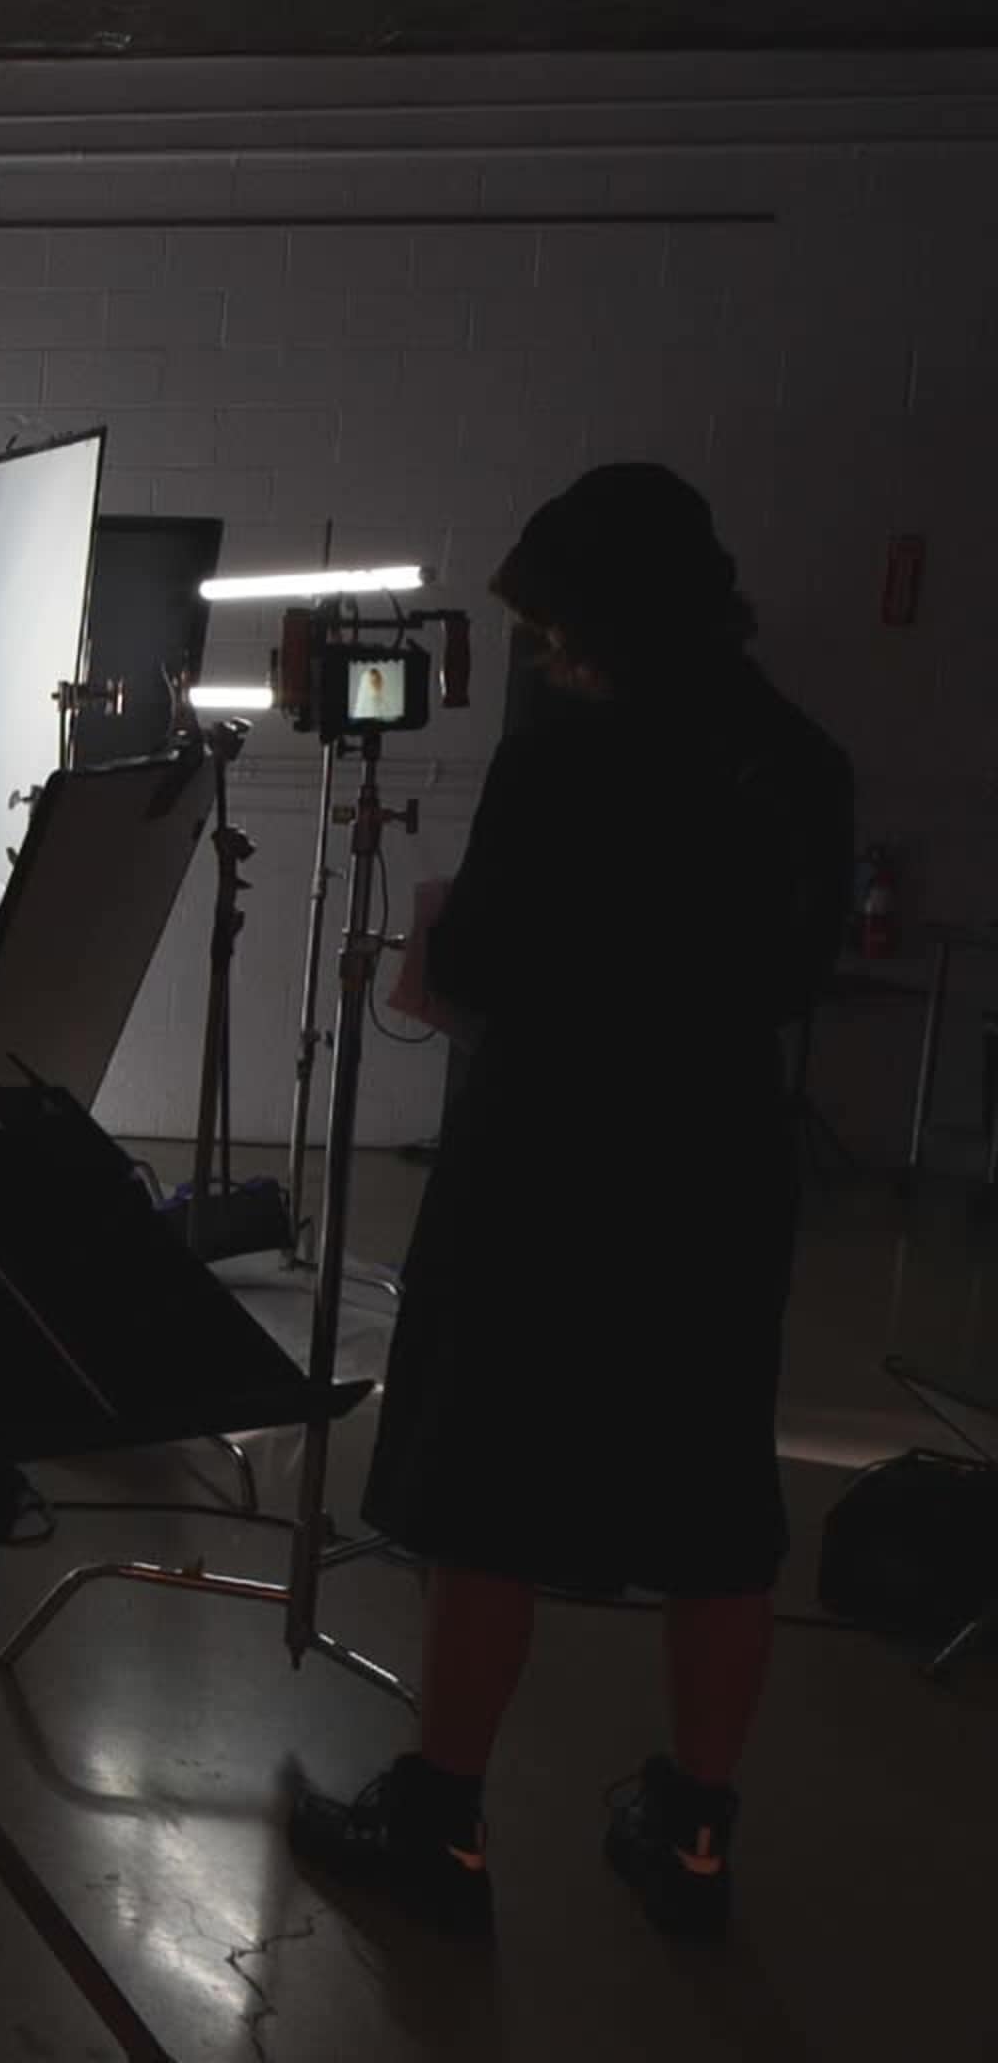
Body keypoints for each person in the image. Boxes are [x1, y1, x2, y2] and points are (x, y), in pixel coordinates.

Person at [291, 464, 853, 1941]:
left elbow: (470, 966)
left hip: (549, 1170)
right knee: (721, 1502)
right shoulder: (803, 761)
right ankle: (693, 1832)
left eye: (552, 628)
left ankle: (440, 1818)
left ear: (602, 614)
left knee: (496, 1496)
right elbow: (799, 978)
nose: (544, 657)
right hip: (719, 1175)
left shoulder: (564, 761)